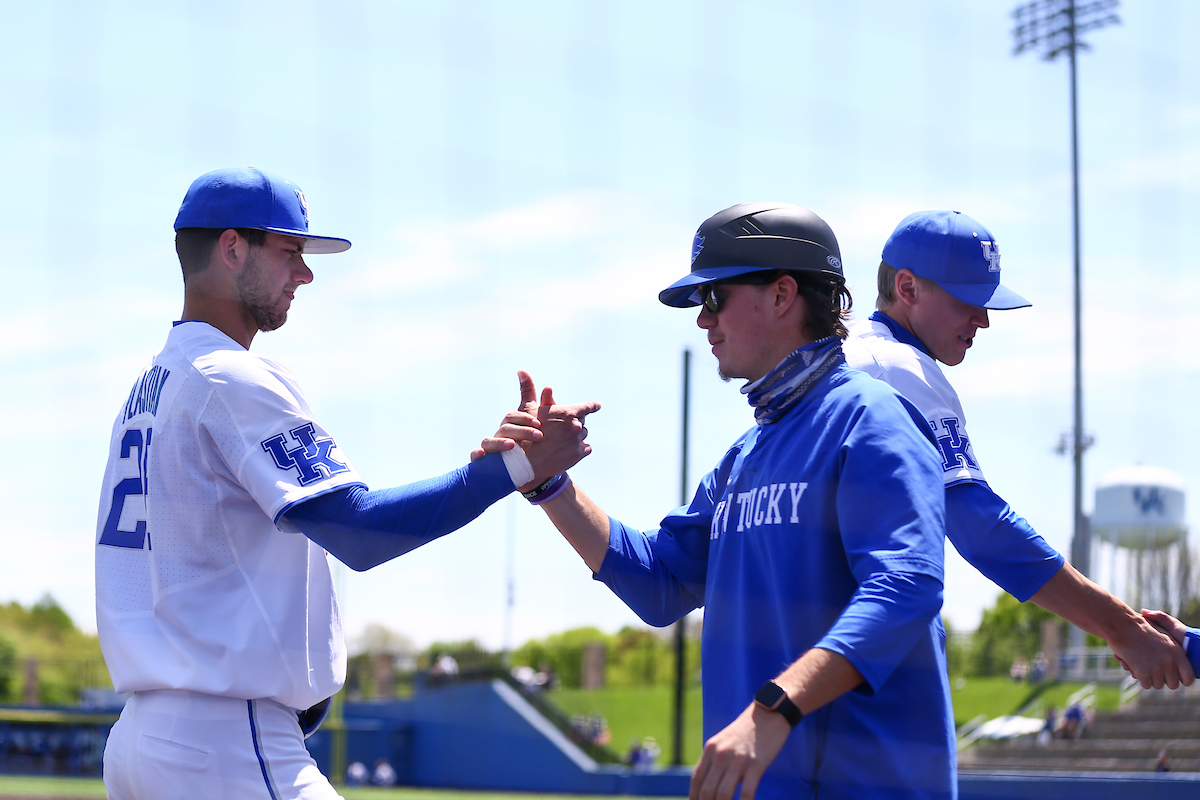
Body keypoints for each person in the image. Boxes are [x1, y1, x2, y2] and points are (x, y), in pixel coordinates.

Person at [95, 166, 598, 800]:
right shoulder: (230, 377)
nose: (304, 273)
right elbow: (357, 531)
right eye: (290, 251)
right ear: (231, 248)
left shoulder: (152, 386)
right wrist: (519, 466)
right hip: (224, 745)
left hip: (145, 741)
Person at [494, 203, 955, 798]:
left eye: (714, 298)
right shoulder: (746, 454)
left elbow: (907, 586)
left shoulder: (871, 420)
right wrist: (548, 483)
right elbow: (660, 584)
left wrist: (773, 710)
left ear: (783, 294)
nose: (702, 321)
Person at [841, 210, 1194, 690]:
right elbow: (980, 526)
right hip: (856, 658)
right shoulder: (896, 367)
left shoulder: (841, 354)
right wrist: (1122, 628)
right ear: (908, 288)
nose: (983, 320)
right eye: (968, 299)